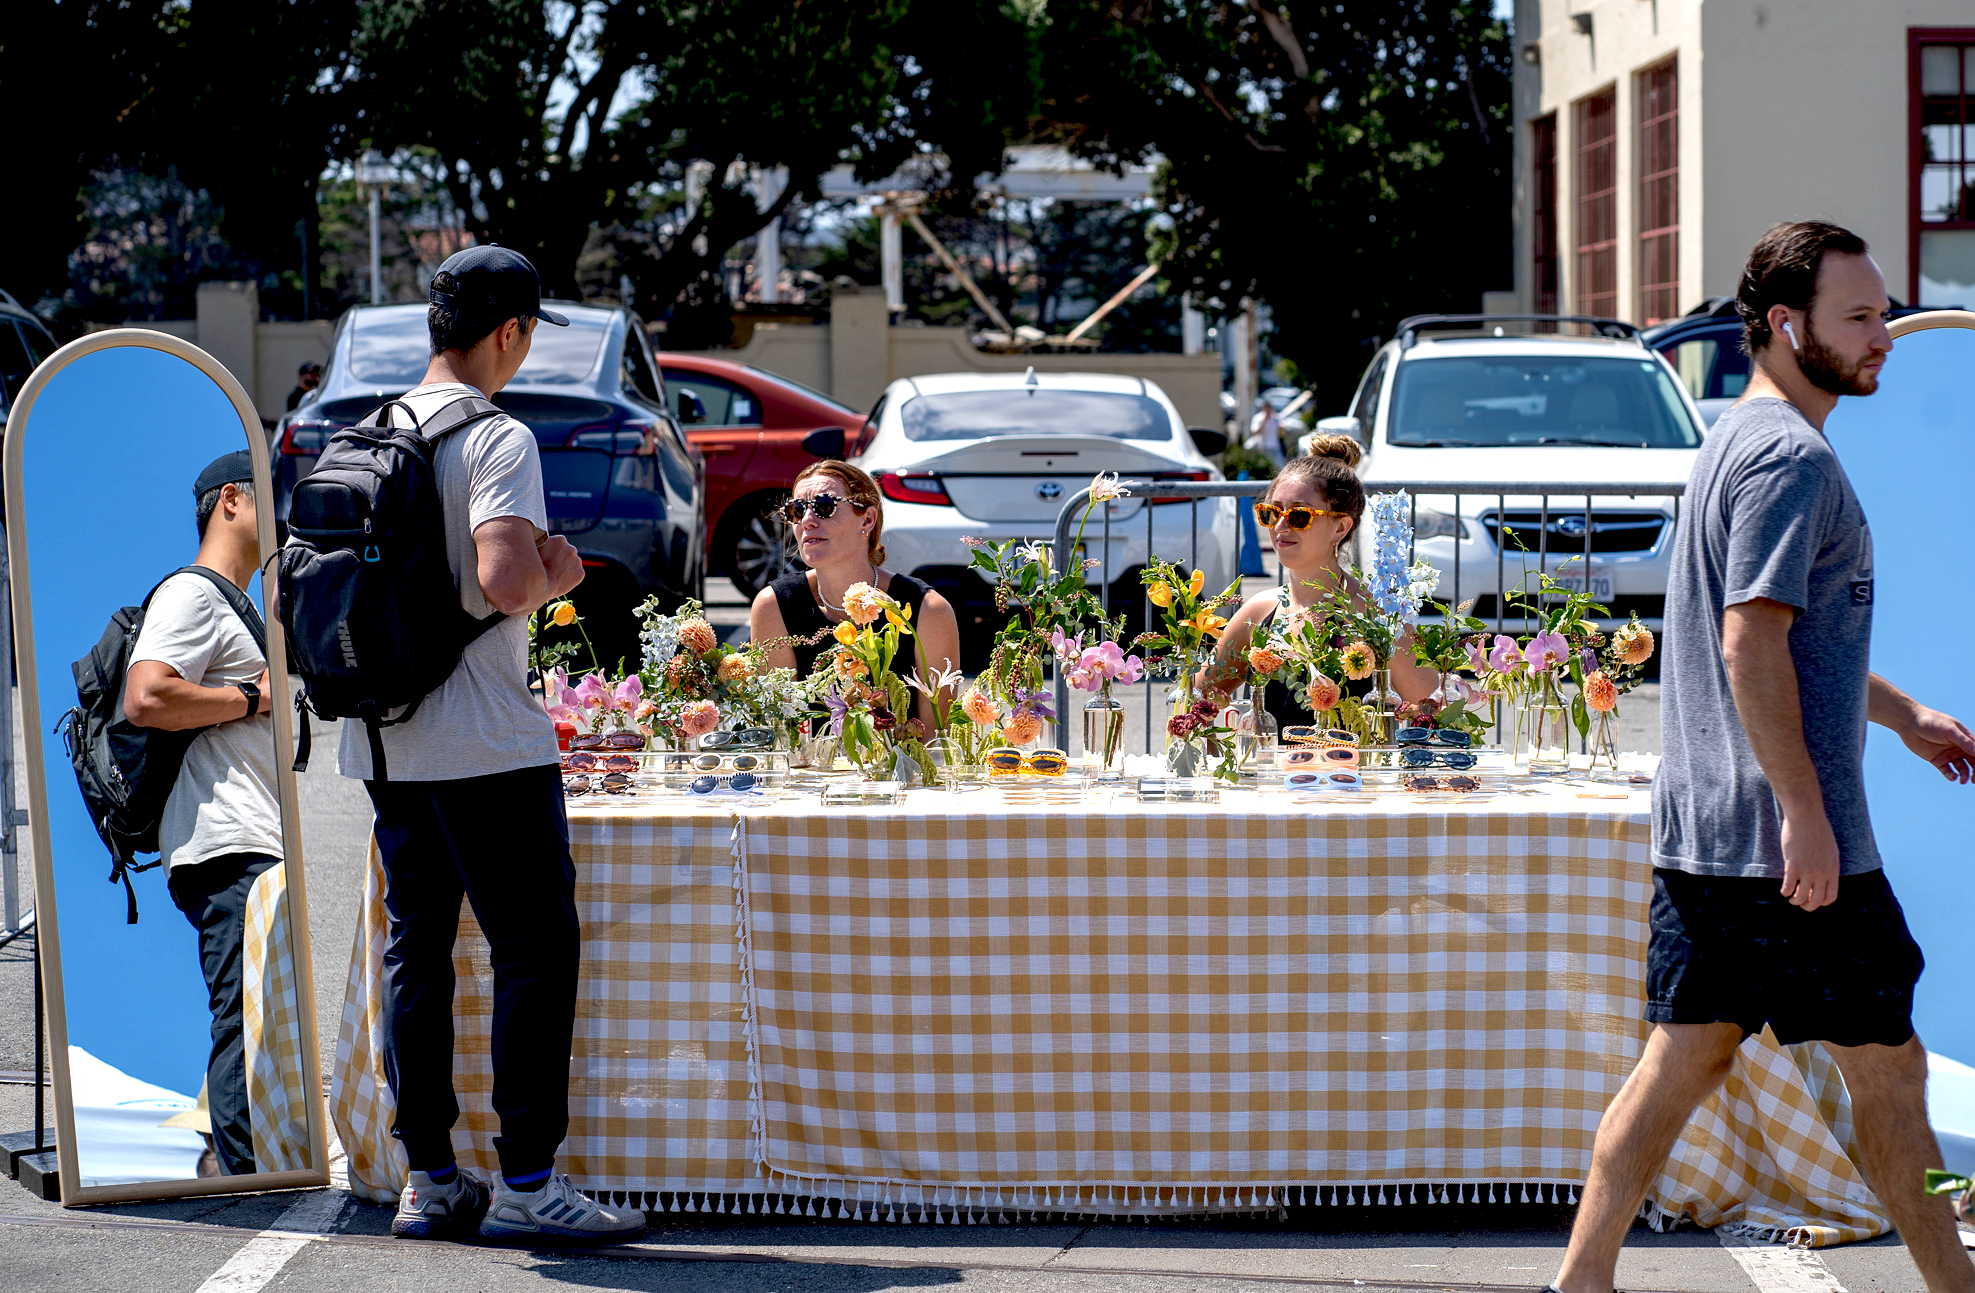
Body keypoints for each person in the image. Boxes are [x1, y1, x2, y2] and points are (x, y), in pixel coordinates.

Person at [1550, 221, 1975, 1293]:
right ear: (1785, 325)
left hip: (1708, 838)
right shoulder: (1791, 457)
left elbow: (1785, 644)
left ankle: (1580, 1282)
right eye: (1858, 317)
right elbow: (1749, 640)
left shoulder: (1734, 437)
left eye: (1883, 313)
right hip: (1791, 854)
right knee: (1892, 1078)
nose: (1883, 337)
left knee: (1676, 1065)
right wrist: (1804, 810)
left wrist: (1901, 715)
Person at [343, 245, 643, 1245]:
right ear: (508, 331)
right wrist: (562, 572)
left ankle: (430, 1177)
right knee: (532, 950)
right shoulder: (496, 436)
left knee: (417, 950)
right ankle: (527, 1182)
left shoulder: (371, 426)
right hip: (485, 743)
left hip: (385, 741)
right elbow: (508, 580)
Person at [124, 451, 282, 1178]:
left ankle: (233, 1161)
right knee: (245, 1016)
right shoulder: (192, 594)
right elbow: (147, 696)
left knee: (258, 1015)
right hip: (225, 840)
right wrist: (251, 698)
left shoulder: (238, 605)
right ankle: (242, 1180)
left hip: (247, 837)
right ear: (230, 501)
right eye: (268, 496)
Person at [1207, 434, 1438, 729]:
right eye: (1271, 513)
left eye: (1299, 516)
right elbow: (1193, 703)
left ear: (1340, 527)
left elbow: (1439, 717)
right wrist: (1218, 753)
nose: (1280, 526)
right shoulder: (1259, 610)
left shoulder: (1375, 616)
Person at [749, 460, 963, 731]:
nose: (807, 521)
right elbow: (781, 731)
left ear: (867, 519)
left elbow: (937, 740)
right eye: (797, 510)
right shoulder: (774, 606)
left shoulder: (927, 610)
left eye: (824, 506)